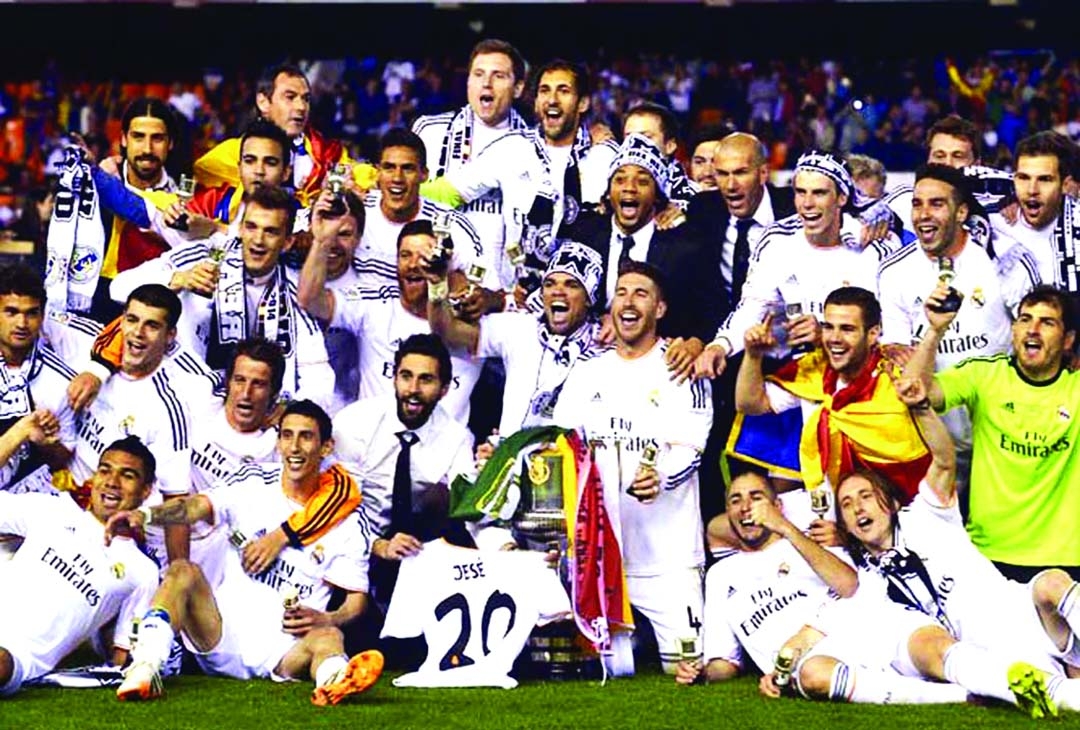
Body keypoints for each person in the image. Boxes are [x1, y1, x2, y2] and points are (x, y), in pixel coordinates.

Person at [831, 375, 1080, 717]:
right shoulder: (867, 583)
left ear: (888, 503)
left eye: (865, 496)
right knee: (1062, 696)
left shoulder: (926, 515)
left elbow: (945, 459)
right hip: (990, 655)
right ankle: (1063, 690)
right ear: (843, 525)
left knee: (1052, 582)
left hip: (1022, 613)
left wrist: (921, 408)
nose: (858, 508)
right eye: (846, 504)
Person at [108, 400, 381, 706]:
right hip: (219, 633)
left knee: (330, 638)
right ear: (278, 441)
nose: (295, 447)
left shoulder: (347, 520)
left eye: (306, 437)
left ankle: (335, 681)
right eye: (287, 435)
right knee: (182, 570)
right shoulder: (253, 481)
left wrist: (327, 617)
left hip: (284, 649)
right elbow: (194, 506)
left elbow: (356, 602)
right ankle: (145, 667)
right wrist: (146, 516)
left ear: (326, 446)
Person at [554, 262, 712, 673]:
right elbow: (563, 446)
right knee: (606, 669)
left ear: (659, 310)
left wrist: (661, 476)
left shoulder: (682, 368)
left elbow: (693, 448)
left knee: (687, 665)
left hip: (668, 556)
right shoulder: (587, 372)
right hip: (601, 558)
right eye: (621, 292)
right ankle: (624, 644)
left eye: (640, 293)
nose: (628, 301)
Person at [877, 164, 1038, 499]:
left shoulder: (1003, 263)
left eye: (937, 204)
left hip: (1001, 434)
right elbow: (899, 362)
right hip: (934, 442)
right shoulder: (894, 273)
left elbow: (1036, 342)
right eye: (917, 204)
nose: (923, 214)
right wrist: (896, 349)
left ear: (962, 211)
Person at [102, 185, 335, 409]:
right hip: (177, 396)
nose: (258, 240)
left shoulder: (297, 290)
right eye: (251, 227)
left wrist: (286, 411)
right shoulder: (207, 254)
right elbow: (119, 288)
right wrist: (177, 279)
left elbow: (317, 374)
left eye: (270, 232)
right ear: (240, 229)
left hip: (248, 414)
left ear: (287, 242)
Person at [905, 284, 1080, 582]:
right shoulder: (984, 375)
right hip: (989, 555)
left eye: (1047, 322)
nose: (1032, 329)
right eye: (1024, 319)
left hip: (1065, 559)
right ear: (1013, 330)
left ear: (1068, 340)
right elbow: (914, 390)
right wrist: (934, 331)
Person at [695, 150, 894, 378]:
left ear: (841, 198)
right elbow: (752, 307)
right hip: (796, 379)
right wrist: (719, 346)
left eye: (819, 193)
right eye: (801, 192)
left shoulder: (874, 248)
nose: (807, 203)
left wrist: (826, 337)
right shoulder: (777, 242)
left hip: (862, 383)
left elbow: (890, 330)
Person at [733, 286, 931, 514]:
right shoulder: (815, 369)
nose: (835, 339)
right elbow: (750, 404)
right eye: (828, 327)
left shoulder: (895, 378)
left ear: (873, 333)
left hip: (894, 514)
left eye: (847, 329)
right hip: (827, 510)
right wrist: (753, 355)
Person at [0, 437, 160, 696]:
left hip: (17, 656)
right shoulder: (51, 509)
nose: (112, 482)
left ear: (146, 491)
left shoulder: (142, 572)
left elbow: (122, 658)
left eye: (127, 475)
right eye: (105, 470)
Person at [71, 284, 213, 567]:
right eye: (132, 320)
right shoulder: (89, 363)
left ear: (170, 336)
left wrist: (177, 574)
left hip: (110, 530)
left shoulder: (169, 408)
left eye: (151, 326)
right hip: (60, 500)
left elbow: (177, 504)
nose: (137, 333)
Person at [672, 471, 856, 685]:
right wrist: (701, 673)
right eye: (735, 500)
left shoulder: (809, 545)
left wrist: (785, 528)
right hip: (795, 674)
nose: (745, 507)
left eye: (756, 497)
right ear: (728, 512)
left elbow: (850, 585)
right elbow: (725, 661)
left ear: (777, 507)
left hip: (843, 643)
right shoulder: (720, 575)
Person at [331, 334, 475, 604]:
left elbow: (470, 516)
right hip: (352, 542)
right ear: (394, 378)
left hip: (413, 548)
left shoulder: (457, 438)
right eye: (406, 376)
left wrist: (505, 551)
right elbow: (335, 505)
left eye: (426, 380)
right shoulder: (354, 422)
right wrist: (378, 546)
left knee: (441, 499)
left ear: (444, 388)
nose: (413, 389)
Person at [300, 216, 481, 421]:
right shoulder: (375, 303)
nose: (413, 264)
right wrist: (321, 242)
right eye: (405, 255)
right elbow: (310, 300)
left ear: (445, 262)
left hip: (442, 449)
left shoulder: (471, 315)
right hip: (371, 443)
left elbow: (446, 332)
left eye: (424, 256)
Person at [569, 133, 721, 374]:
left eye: (642, 181)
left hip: (662, 368)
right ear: (609, 192)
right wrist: (599, 319)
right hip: (588, 363)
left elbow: (713, 310)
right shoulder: (585, 235)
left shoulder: (686, 246)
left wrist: (695, 343)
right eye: (620, 180)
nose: (629, 188)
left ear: (658, 195)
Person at [428, 241, 605, 437]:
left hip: (574, 463)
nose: (557, 291)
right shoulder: (520, 328)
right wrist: (437, 285)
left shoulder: (606, 346)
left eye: (571, 285)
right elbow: (448, 330)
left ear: (590, 297)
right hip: (511, 461)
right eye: (549, 284)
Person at [412, 39, 530, 291]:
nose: (486, 83)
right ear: (468, 82)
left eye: (498, 76)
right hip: (439, 286)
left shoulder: (533, 146)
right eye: (478, 74)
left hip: (504, 293)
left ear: (518, 88)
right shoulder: (430, 130)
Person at [195, 63, 370, 208]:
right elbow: (202, 198)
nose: (301, 107)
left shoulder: (327, 153)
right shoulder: (230, 154)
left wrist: (354, 188)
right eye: (290, 97)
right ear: (263, 102)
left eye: (306, 99)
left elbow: (365, 176)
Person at [355, 128, 487, 297]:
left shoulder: (451, 224)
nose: (397, 178)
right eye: (389, 168)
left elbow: (489, 288)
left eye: (408, 169)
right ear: (377, 173)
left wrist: (467, 291)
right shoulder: (355, 210)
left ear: (424, 175)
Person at [686, 132, 796, 314]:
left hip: (782, 328)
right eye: (722, 174)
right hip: (718, 331)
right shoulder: (702, 208)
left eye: (740, 172)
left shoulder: (792, 207)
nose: (730, 185)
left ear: (763, 174)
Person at [0, 263, 78, 489]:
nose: (22, 324)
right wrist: (22, 429)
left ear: (43, 316)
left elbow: (61, 457)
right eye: (11, 312)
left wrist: (45, 443)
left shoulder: (62, 381)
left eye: (31, 313)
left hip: (25, 502)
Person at [993, 131, 1080, 292]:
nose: (1032, 190)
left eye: (1044, 179)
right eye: (1023, 178)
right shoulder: (991, 220)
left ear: (1065, 185)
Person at [622, 101, 699, 210]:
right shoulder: (611, 192)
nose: (635, 145)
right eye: (629, 138)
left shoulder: (695, 198)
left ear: (670, 145)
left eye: (646, 138)